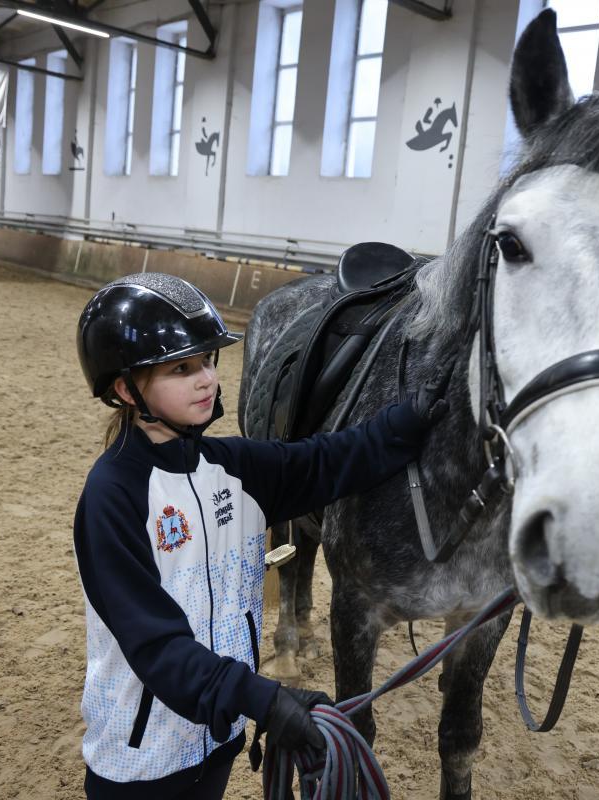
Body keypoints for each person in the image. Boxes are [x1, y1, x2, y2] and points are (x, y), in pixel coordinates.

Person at [73, 272, 450, 799]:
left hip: (218, 740)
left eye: (208, 362)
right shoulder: (113, 495)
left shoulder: (232, 468)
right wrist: (267, 701)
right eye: (182, 368)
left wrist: (408, 420)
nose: (206, 379)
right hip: (141, 762)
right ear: (126, 388)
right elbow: (158, 648)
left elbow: (330, 460)